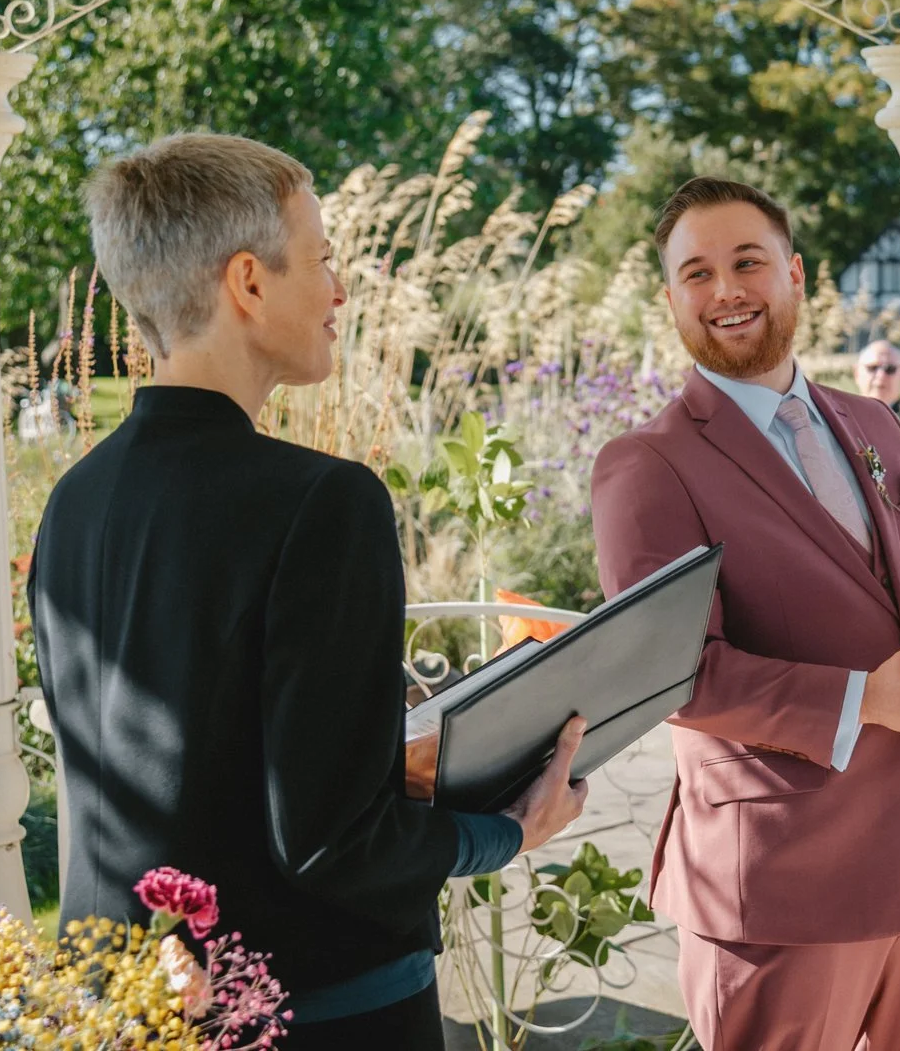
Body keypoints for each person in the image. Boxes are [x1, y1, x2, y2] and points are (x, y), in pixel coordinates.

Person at [32, 135, 588, 1049]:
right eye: (325, 260)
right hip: (311, 1013)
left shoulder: (74, 499)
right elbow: (334, 842)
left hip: (120, 1000)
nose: (340, 291)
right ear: (248, 281)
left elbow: (170, 764)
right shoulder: (325, 501)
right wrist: (510, 831)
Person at [589, 177, 900, 1051]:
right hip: (777, 884)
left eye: (747, 262)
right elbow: (675, 675)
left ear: (795, 274)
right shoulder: (647, 464)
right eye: (697, 272)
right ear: (671, 298)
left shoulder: (875, 424)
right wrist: (863, 702)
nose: (725, 290)